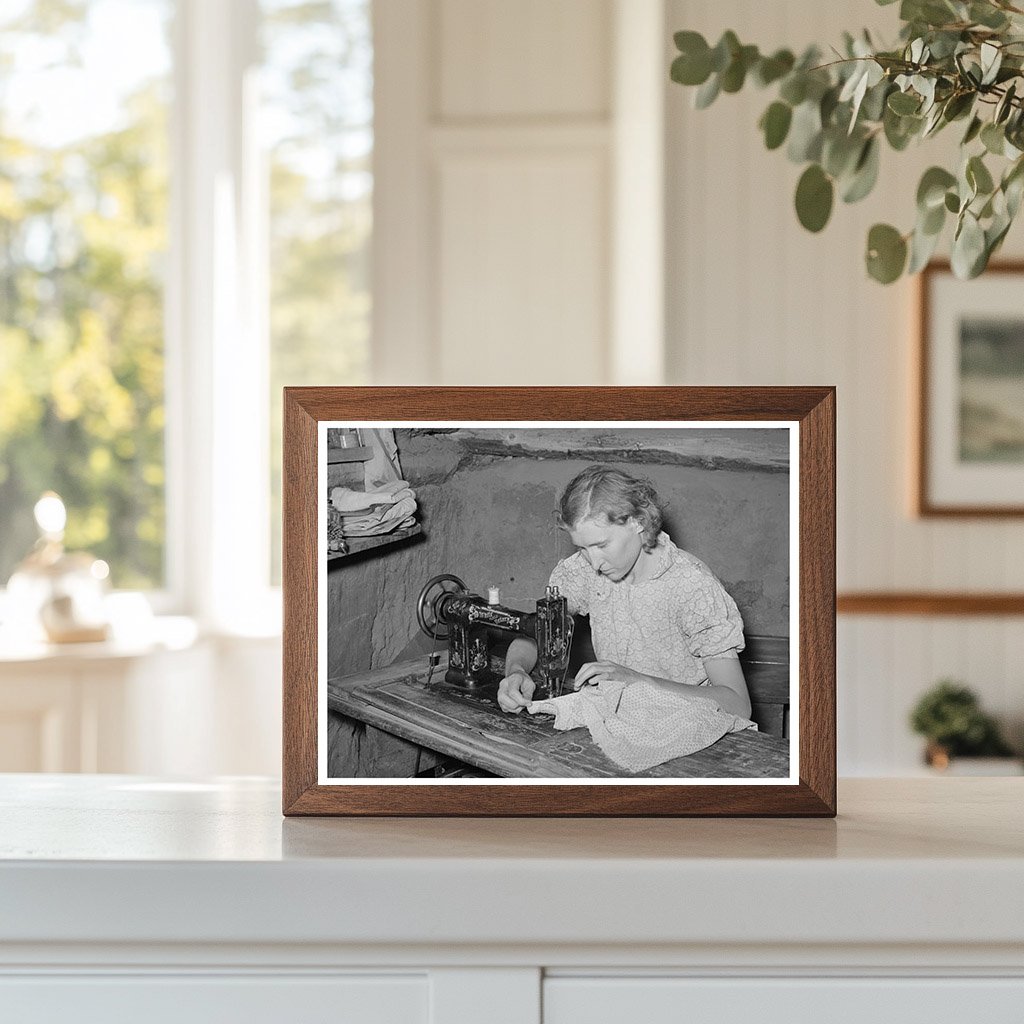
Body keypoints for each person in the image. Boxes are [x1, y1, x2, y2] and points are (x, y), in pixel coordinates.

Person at [497, 465, 752, 719]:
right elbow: (539, 630)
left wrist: (637, 681)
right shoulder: (583, 572)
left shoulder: (692, 586)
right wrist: (516, 672)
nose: (594, 562)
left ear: (638, 522)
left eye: (601, 545)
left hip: (691, 724)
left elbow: (737, 703)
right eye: (583, 549)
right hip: (622, 718)